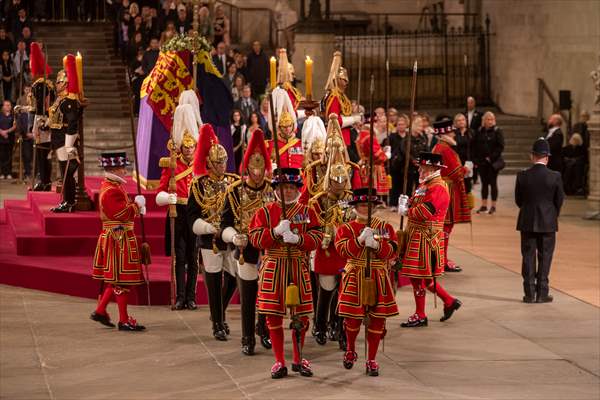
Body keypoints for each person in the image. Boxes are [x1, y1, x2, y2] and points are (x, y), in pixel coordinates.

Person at [249, 167, 323, 379]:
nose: (287, 192)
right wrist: (274, 233)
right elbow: (254, 238)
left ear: (298, 189)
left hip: (298, 267)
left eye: (291, 187)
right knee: (273, 316)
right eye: (283, 187)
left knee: (301, 317)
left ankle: (298, 359)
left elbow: (317, 237)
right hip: (273, 266)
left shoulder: (308, 212)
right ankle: (279, 360)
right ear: (276, 189)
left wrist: (299, 240)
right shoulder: (264, 212)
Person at [221, 128, 275, 356]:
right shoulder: (234, 192)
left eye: (261, 167)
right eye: (253, 167)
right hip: (245, 249)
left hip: (269, 248)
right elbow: (224, 224)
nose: (257, 172)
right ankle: (247, 337)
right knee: (248, 295)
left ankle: (263, 328)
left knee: (268, 294)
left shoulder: (273, 190)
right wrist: (234, 236)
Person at [334, 187, 399, 376]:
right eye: (363, 205)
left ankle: (371, 359)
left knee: (378, 320)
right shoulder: (346, 228)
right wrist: (360, 240)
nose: (367, 209)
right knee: (352, 318)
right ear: (355, 206)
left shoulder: (385, 227)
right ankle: (351, 349)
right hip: (354, 273)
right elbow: (343, 251)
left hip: (378, 274)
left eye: (370, 205)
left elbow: (392, 251)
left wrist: (378, 245)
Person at [399, 152, 462, 328]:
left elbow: (425, 212)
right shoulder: (426, 185)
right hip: (417, 235)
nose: (419, 170)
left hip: (426, 237)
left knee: (418, 277)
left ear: (433, 168)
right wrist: (407, 202)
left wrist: (407, 211)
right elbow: (416, 202)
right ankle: (449, 301)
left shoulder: (438, 187)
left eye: (423, 167)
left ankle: (421, 314)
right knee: (421, 278)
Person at [188, 123, 238, 341]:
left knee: (235, 278)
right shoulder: (199, 185)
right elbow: (192, 216)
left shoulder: (232, 182)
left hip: (229, 236)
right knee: (214, 279)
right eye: (218, 162)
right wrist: (209, 228)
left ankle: (219, 311)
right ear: (208, 162)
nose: (222, 165)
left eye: (224, 161)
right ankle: (217, 322)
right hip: (209, 239)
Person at [308, 117, 355, 349]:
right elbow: (314, 219)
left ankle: (339, 325)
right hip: (327, 248)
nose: (338, 184)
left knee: (344, 290)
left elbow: (354, 218)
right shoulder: (320, 199)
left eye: (342, 180)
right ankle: (319, 323)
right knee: (326, 288)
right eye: (335, 180)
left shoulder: (349, 199)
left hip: (345, 247)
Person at [90, 151, 147, 332]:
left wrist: (137, 209)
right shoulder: (111, 190)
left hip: (119, 236)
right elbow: (121, 214)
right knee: (122, 281)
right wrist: (137, 206)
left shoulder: (113, 186)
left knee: (116, 280)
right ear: (114, 168)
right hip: (118, 238)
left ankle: (100, 310)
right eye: (123, 168)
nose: (125, 171)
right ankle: (123, 320)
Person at [155, 104, 198, 310]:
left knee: (194, 257)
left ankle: (191, 296)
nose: (189, 151)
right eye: (186, 147)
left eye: (192, 147)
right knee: (179, 257)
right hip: (178, 213)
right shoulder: (172, 164)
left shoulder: (201, 165)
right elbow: (160, 192)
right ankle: (180, 296)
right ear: (181, 147)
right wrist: (167, 197)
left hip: (195, 213)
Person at [515, 138, 564, 303]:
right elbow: (559, 200)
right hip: (548, 221)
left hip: (527, 220)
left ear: (532, 156)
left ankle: (529, 293)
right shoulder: (555, 176)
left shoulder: (522, 175)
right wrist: (551, 214)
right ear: (547, 157)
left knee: (528, 256)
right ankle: (542, 292)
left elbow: (518, 200)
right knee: (546, 256)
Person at [432, 119, 471, 273]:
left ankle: (440, 259)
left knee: (442, 227)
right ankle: (442, 261)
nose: (454, 133)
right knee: (446, 227)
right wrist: (466, 169)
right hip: (448, 190)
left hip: (440, 188)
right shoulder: (445, 149)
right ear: (444, 134)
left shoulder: (438, 147)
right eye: (451, 132)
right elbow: (455, 173)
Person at [48, 55, 82, 212]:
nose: (57, 84)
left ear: (66, 83)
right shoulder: (60, 99)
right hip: (57, 138)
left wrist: (69, 145)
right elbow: (55, 116)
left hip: (64, 139)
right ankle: (66, 200)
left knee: (67, 173)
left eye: (59, 81)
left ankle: (69, 202)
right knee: (64, 171)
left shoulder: (69, 101)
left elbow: (72, 122)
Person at [28, 42, 54, 191]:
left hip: (42, 119)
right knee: (42, 152)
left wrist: (42, 120)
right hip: (40, 119)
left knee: (43, 152)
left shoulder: (40, 85)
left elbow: (42, 107)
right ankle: (44, 179)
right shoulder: (44, 84)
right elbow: (34, 106)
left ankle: (45, 181)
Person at [322, 51, 361, 148]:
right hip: (337, 138)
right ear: (338, 79)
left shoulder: (341, 96)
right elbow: (334, 120)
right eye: (344, 79)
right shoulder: (334, 97)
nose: (346, 82)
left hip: (344, 137)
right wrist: (353, 119)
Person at [472, 111, 504, 214]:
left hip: (492, 163)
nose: (490, 121)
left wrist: (490, 158)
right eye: (488, 119)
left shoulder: (497, 131)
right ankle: (484, 205)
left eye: (491, 119)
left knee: (493, 184)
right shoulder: (479, 131)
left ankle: (493, 206)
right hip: (482, 162)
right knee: (484, 184)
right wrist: (476, 159)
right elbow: (475, 145)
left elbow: (500, 146)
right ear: (483, 121)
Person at [268, 90, 302, 169]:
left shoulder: (300, 144)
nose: (288, 129)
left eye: (289, 126)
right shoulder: (270, 145)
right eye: (284, 127)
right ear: (279, 128)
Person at [383, 114, 407, 211]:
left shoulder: (409, 136)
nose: (401, 126)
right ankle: (393, 204)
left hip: (405, 164)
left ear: (406, 125)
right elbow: (387, 149)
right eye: (399, 124)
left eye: (402, 124)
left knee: (405, 186)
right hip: (394, 164)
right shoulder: (392, 137)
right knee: (394, 185)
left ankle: (403, 205)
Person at [453, 113, 474, 194]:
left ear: (466, 121)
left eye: (462, 120)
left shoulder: (471, 132)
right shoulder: (453, 133)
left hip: (468, 161)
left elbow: (475, 147)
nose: (461, 122)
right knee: (458, 184)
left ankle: (467, 205)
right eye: (458, 120)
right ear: (455, 123)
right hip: (457, 161)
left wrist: (473, 161)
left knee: (467, 184)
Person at [0, 100, 15, 179]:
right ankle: (2, 173)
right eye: (6, 105)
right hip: (1, 139)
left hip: (10, 138)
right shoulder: (0, 115)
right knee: (2, 156)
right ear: (3, 106)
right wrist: (2, 132)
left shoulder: (13, 115)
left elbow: (15, 126)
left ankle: (9, 172)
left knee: (9, 156)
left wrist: (7, 132)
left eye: (9, 105)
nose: (7, 106)